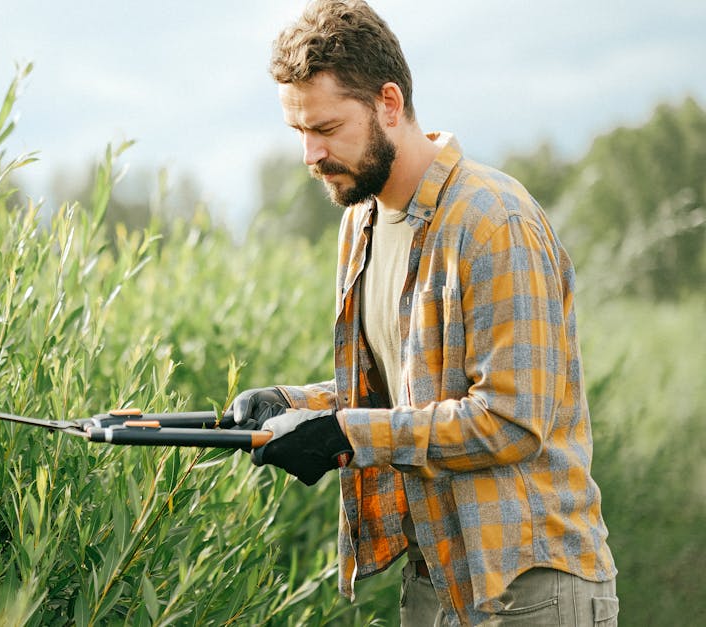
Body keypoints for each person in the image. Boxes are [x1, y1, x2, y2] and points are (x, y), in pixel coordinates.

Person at [230, 1, 618, 624]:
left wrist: (349, 436)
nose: (310, 154)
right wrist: (294, 405)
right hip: (434, 582)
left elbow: (513, 421)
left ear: (388, 102)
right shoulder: (359, 222)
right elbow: (407, 391)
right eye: (298, 132)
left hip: (529, 588)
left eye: (326, 128)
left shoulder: (494, 222)